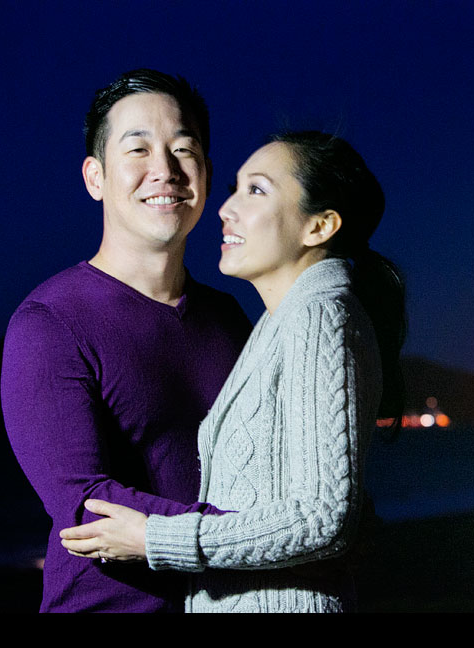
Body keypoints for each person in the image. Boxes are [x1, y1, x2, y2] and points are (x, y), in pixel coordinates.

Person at [60, 131, 406, 613]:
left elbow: (322, 520)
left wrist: (153, 538)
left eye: (257, 190)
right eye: (234, 189)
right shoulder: (278, 323)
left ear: (320, 225)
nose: (226, 209)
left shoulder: (320, 315)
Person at [1, 69, 252, 613]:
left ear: (206, 173)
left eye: (183, 150)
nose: (164, 171)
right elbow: (84, 507)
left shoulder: (228, 317)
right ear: (95, 177)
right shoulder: (49, 323)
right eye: (137, 149)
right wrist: (260, 537)